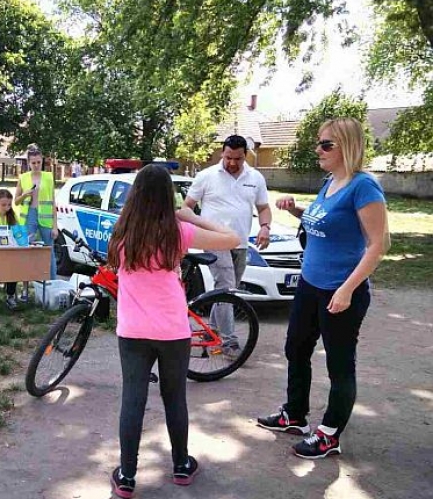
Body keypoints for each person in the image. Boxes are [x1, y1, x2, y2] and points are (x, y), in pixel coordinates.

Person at [257, 117, 390, 460]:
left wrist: (346, 290)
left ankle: (330, 433)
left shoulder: (363, 187)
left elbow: (379, 244)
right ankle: (295, 415)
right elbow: (324, 222)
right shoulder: (330, 181)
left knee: (339, 365)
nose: (318, 149)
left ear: (348, 146)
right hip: (310, 285)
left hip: (341, 291)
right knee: (296, 348)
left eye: (326, 144)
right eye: (319, 142)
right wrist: (296, 210)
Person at [106, 164, 239, 498]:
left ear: (135, 195)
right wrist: (192, 217)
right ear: (168, 197)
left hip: (133, 331)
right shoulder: (177, 232)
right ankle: (181, 465)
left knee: (132, 399)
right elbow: (233, 238)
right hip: (172, 331)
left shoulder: (122, 231)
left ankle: (126, 475)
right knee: (175, 397)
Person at [184, 134, 272, 356]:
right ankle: (229, 342)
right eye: (228, 157)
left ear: (245, 155)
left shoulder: (255, 178)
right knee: (227, 288)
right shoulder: (206, 176)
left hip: (240, 242)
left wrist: (265, 227)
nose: (232, 162)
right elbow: (187, 207)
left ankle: (211, 331)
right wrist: (196, 231)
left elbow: (263, 208)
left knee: (225, 291)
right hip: (214, 241)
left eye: (238, 159)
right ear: (222, 153)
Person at [14, 143, 58, 301]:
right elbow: (16, 201)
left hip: (45, 219)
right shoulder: (23, 178)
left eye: (39, 162)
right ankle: (25, 289)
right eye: (33, 162)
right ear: (28, 163)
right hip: (28, 218)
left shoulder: (49, 177)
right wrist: (25, 194)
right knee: (26, 252)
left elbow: (53, 202)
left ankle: (53, 287)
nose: (36, 165)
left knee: (49, 252)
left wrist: (55, 226)